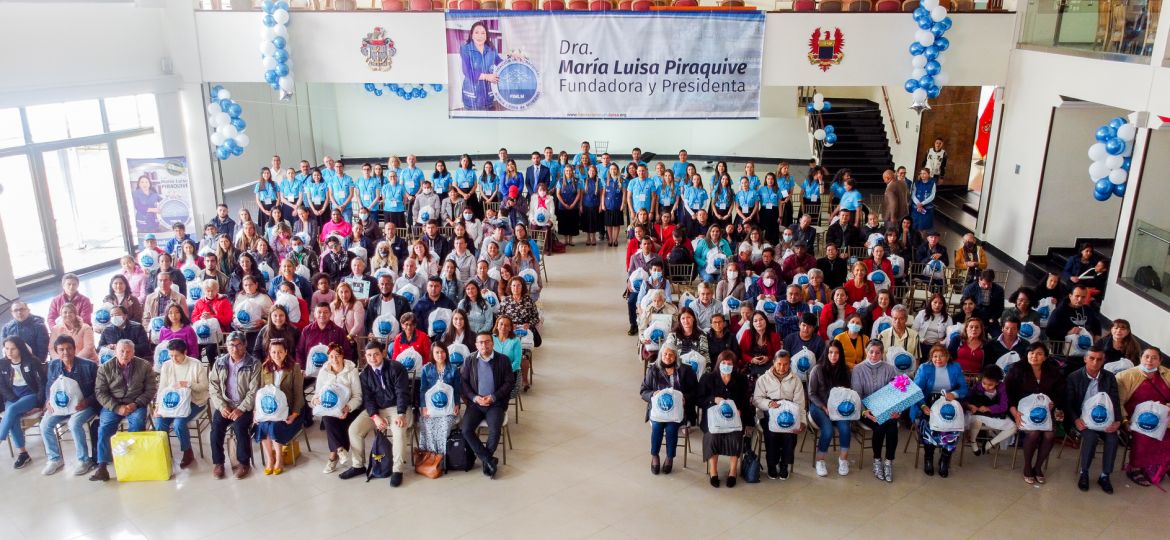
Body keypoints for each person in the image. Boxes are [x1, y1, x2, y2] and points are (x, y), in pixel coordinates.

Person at [90, 339, 157, 481]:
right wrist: (116, 407)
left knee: (138, 423)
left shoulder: (144, 365)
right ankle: (102, 466)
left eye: (128, 352)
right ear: (115, 351)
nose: (124, 354)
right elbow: (100, 393)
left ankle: (133, 460)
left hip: (136, 403)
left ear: (133, 353)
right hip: (113, 405)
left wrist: (136, 404)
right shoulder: (105, 368)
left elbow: (151, 389)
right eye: (121, 351)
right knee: (104, 428)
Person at [39, 336, 99, 475]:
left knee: (74, 423)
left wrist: (87, 402)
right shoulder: (53, 365)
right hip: (59, 405)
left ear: (74, 349)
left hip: (83, 405)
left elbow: (99, 390)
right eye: (61, 349)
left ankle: (84, 460)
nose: (65, 352)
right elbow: (49, 385)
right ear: (56, 351)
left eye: (69, 348)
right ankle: (55, 459)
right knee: (45, 425)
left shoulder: (89, 365)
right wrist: (48, 400)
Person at [1006, 342, 1065, 485]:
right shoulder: (1017, 369)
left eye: (1039, 354)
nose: (1034, 356)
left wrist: (1054, 403)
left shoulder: (1053, 371)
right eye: (1031, 353)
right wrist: (1015, 413)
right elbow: (1007, 393)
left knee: (1050, 434)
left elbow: (1060, 392)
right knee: (1034, 433)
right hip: (1021, 411)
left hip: (1044, 411)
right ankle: (1027, 467)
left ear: (1045, 357)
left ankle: (1038, 467)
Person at [1065, 346, 1121, 493]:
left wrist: (1117, 421)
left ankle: (1105, 475)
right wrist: (1076, 419)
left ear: (1104, 361)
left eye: (1099, 359)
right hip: (1082, 419)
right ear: (1085, 359)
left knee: (1112, 438)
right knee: (1090, 438)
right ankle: (1084, 473)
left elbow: (1115, 401)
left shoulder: (1109, 377)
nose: (1095, 362)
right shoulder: (1074, 377)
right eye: (1091, 358)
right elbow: (1069, 403)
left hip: (1104, 418)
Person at [460, 332, 515, 479]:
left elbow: (509, 383)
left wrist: (493, 397)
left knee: (495, 430)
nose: (484, 345)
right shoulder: (469, 360)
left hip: (495, 403)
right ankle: (488, 460)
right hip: (476, 404)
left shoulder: (503, 360)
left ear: (492, 343)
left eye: (487, 342)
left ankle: (486, 461)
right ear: (476, 345)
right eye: (481, 342)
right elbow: (464, 383)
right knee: (465, 430)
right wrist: (475, 398)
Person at [911, 345, 969, 478]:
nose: (938, 359)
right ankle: (928, 458)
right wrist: (923, 406)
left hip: (949, 402)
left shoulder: (955, 367)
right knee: (928, 424)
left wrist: (954, 394)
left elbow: (964, 389)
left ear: (947, 356)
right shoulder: (925, 368)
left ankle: (945, 459)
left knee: (953, 426)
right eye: (935, 356)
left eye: (942, 356)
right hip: (927, 402)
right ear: (931, 358)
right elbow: (915, 391)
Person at [639, 343, 697, 476]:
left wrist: (684, 398)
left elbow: (695, 391)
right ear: (660, 355)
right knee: (657, 427)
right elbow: (643, 391)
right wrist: (653, 394)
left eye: (671, 354)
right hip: (658, 412)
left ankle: (670, 457)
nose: (668, 357)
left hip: (677, 412)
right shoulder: (653, 370)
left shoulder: (685, 371)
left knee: (671, 429)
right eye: (665, 354)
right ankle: (655, 456)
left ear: (676, 356)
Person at [208, 332, 259, 479]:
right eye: (231, 345)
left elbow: (254, 391)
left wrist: (241, 409)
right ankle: (218, 463)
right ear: (226, 346)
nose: (234, 349)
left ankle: (244, 463)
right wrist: (221, 406)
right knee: (216, 428)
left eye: (238, 345)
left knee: (239, 427)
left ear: (245, 345)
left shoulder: (254, 363)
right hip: (225, 404)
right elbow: (213, 387)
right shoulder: (219, 362)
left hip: (245, 406)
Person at [1117, 347, 1170, 487]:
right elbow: (1118, 402)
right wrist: (1125, 421)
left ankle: (1164, 466)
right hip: (1136, 419)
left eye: (1154, 358)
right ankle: (1135, 468)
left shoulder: (1167, 374)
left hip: (1164, 418)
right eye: (1146, 356)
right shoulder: (1126, 376)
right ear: (1140, 358)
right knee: (1143, 433)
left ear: (1160, 361)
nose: (1150, 360)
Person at [697, 350, 751, 488]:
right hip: (713, 420)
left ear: (734, 366)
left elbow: (745, 401)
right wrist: (713, 399)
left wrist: (739, 410)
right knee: (713, 437)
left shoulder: (741, 379)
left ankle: (732, 471)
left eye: (729, 363)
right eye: (723, 363)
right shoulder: (707, 378)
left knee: (735, 436)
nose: (726, 366)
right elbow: (699, 400)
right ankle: (713, 470)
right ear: (718, 364)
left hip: (734, 420)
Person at [152, 339, 209, 469]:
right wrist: (157, 407)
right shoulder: (167, 365)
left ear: (185, 352)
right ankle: (162, 452)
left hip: (194, 401)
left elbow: (204, 387)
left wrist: (187, 383)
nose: (174, 359)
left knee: (178, 423)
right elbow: (162, 388)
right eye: (171, 355)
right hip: (172, 402)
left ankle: (187, 451)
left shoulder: (195, 364)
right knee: (160, 422)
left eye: (177, 355)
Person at [253, 339, 304, 476]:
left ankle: (279, 459)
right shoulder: (265, 368)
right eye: (274, 352)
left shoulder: (294, 368)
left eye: (280, 352)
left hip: (288, 411)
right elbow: (260, 393)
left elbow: (299, 395)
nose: (277, 355)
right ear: (269, 352)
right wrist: (255, 412)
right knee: (261, 425)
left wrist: (294, 414)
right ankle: (270, 459)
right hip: (268, 409)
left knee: (274, 427)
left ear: (286, 352)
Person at [752, 350, 806, 480]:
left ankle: (784, 464)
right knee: (772, 434)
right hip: (769, 411)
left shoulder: (796, 380)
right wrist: (769, 403)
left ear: (790, 364)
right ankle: (771, 464)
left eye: (786, 364)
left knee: (791, 432)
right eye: (779, 364)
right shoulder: (763, 379)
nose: (782, 367)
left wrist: (802, 421)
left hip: (789, 412)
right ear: (773, 363)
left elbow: (800, 404)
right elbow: (757, 400)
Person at [852, 341, 900, 482]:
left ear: (882, 354)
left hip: (886, 408)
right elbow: (857, 394)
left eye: (877, 352)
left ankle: (889, 462)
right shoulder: (858, 369)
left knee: (892, 426)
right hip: (866, 410)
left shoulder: (890, 368)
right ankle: (877, 460)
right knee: (879, 426)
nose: (874, 355)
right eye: (871, 352)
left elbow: (896, 392)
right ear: (866, 352)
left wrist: (898, 410)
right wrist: (864, 411)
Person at [312, 343, 362, 475]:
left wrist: (347, 408)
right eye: (331, 356)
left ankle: (333, 456)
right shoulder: (324, 371)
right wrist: (316, 399)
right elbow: (317, 393)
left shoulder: (352, 371)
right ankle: (340, 450)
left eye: (337, 356)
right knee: (328, 418)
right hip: (330, 409)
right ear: (328, 357)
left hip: (350, 408)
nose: (334, 359)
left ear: (343, 356)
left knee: (335, 422)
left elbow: (358, 396)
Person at [808, 340, 853, 477]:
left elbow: (848, 391)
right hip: (819, 406)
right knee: (827, 430)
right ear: (826, 353)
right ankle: (820, 461)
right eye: (831, 352)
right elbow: (811, 394)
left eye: (837, 353)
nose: (834, 356)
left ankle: (843, 459)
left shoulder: (845, 370)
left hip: (838, 408)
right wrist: (824, 407)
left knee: (846, 428)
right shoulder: (817, 369)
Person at [0, 337, 46, 470]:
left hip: (30, 395)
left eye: (13, 348)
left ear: (20, 348)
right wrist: (15, 401)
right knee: (13, 415)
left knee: (12, 410)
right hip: (13, 397)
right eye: (7, 348)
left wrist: (39, 403)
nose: (9, 351)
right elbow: (2, 386)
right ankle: (23, 453)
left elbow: (42, 384)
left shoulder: (32, 361)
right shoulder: (2, 363)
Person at [418, 343, 461, 456]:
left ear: (446, 353)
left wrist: (457, 405)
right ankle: (430, 456)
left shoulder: (453, 369)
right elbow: (423, 389)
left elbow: (457, 390)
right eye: (437, 352)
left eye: (442, 352)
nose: (440, 355)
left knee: (444, 426)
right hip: (431, 407)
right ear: (432, 354)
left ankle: (443, 457)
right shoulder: (426, 369)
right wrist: (423, 407)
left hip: (448, 407)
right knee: (427, 424)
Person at [964, 364, 1016, 457]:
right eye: (984, 383)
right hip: (978, 414)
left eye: (990, 385)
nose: (986, 387)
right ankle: (973, 441)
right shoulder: (978, 386)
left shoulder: (1002, 388)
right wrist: (970, 406)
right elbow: (967, 399)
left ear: (997, 382)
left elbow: (1004, 406)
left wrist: (989, 408)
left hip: (994, 414)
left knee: (1013, 427)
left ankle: (990, 443)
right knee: (976, 420)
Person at [297, 303, 352, 370]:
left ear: (330, 314)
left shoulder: (339, 332)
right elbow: (299, 351)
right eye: (319, 312)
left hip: (331, 373)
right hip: (309, 373)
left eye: (325, 312)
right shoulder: (307, 330)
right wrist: (302, 369)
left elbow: (347, 352)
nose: (322, 315)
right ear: (314, 314)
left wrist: (340, 370)